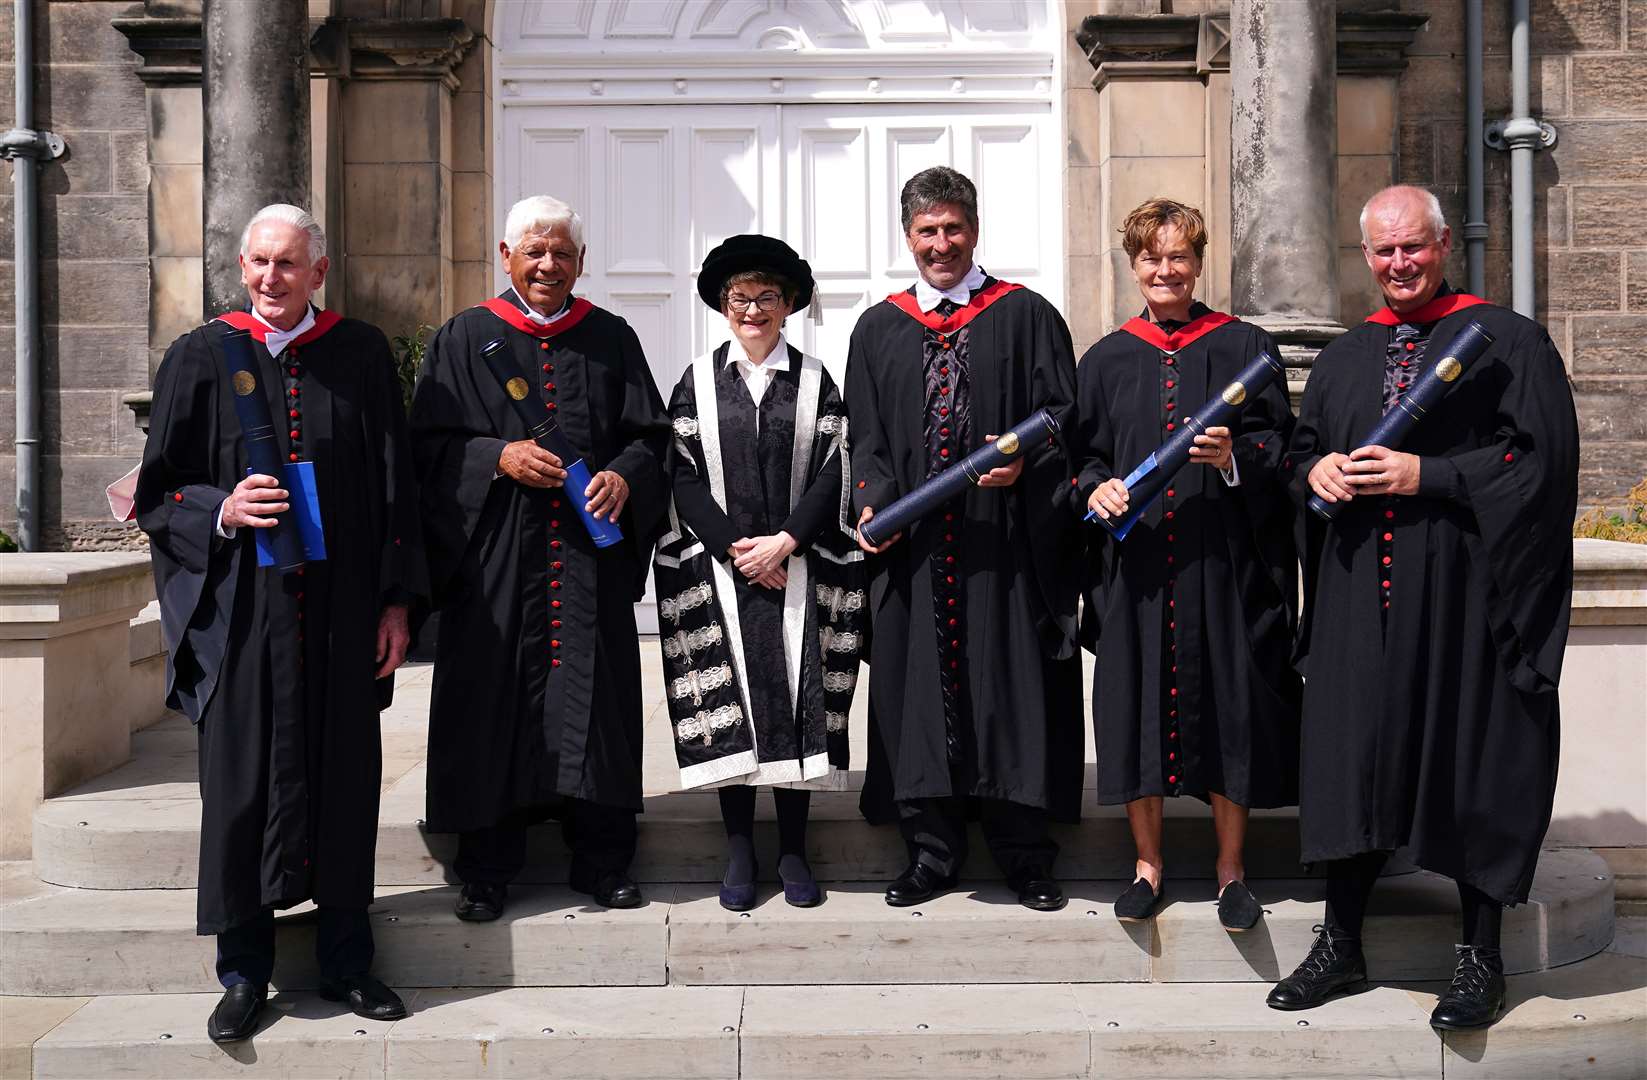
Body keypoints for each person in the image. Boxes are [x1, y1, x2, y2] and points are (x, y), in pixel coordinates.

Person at [1270, 185, 1579, 1030]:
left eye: (1413, 247)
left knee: (1469, 766)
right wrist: (1313, 474)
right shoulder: (1341, 358)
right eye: (1382, 251)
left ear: (1443, 245)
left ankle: (1480, 957)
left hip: (1462, 602)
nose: (1398, 264)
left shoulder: (1505, 341)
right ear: (1363, 257)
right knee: (1350, 762)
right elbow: (1299, 457)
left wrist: (1430, 476)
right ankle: (1340, 944)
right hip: (1354, 602)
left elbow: (1540, 462)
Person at [137, 203, 424, 1043]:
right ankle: (243, 972)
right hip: (242, 616)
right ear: (241, 266)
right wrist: (221, 507)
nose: (270, 279)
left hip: (340, 614)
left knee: (344, 781)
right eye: (258, 263)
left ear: (318, 273)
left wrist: (398, 602)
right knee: (237, 791)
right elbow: (160, 490)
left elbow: (394, 482)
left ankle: (346, 961)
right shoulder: (199, 355)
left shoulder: (360, 353)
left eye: (288, 265)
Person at [411, 194, 669, 919]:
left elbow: (651, 439)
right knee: (491, 704)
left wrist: (626, 475)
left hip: (587, 559)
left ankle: (603, 860)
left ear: (580, 262)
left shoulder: (611, 338)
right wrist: (496, 456)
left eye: (561, 252)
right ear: (506, 257)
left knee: (595, 704)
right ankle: (487, 867)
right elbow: (425, 447)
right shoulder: (463, 338)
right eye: (534, 251)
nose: (548, 264)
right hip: (495, 564)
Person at [845, 166, 1083, 912]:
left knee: (1009, 689)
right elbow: (866, 437)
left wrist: (1027, 467)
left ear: (973, 230)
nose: (939, 244)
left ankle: (1024, 855)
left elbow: (1065, 419)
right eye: (926, 232)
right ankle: (930, 852)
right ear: (906, 237)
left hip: (1002, 547)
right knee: (916, 693)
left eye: (951, 229)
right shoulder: (879, 326)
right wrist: (871, 501)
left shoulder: (1025, 315)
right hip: (916, 550)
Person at [1074, 199, 1300, 929]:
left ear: (1198, 262)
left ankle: (1231, 871)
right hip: (1136, 573)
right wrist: (1092, 486)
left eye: (1177, 256)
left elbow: (1284, 448)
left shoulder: (1244, 347)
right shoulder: (1106, 358)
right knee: (1134, 710)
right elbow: (1080, 456)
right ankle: (1148, 866)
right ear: (1131, 264)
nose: (1164, 270)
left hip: (1220, 567)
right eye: (1150, 257)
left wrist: (1236, 459)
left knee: (1228, 711)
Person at [653, 234, 865, 910]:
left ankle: (794, 849)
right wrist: (734, 549)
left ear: (788, 304)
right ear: (722, 304)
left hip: (796, 566)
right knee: (733, 707)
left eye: (765, 297)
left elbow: (838, 467)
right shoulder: (695, 381)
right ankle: (740, 848)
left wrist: (786, 542)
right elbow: (678, 477)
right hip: (723, 572)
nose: (752, 309)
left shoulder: (814, 382)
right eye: (739, 298)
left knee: (799, 706)